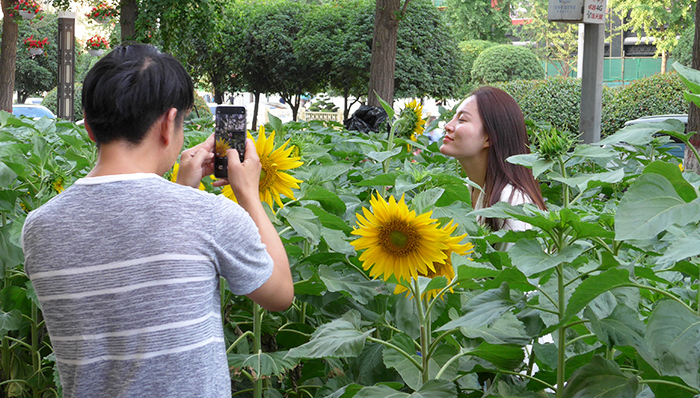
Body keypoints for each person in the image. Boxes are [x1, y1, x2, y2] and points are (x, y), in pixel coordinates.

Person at [21, 44, 294, 397]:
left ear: (88, 126)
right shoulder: (210, 215)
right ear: (169, 124)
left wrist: (184, 189)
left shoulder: (39, 227)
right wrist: (248, 195)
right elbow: (280, 293)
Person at [440, 86, 546, 248]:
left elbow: (517, 271)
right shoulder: (466, 188)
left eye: (461, 120)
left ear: (489, 137)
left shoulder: (512, 204)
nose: (448, 125)